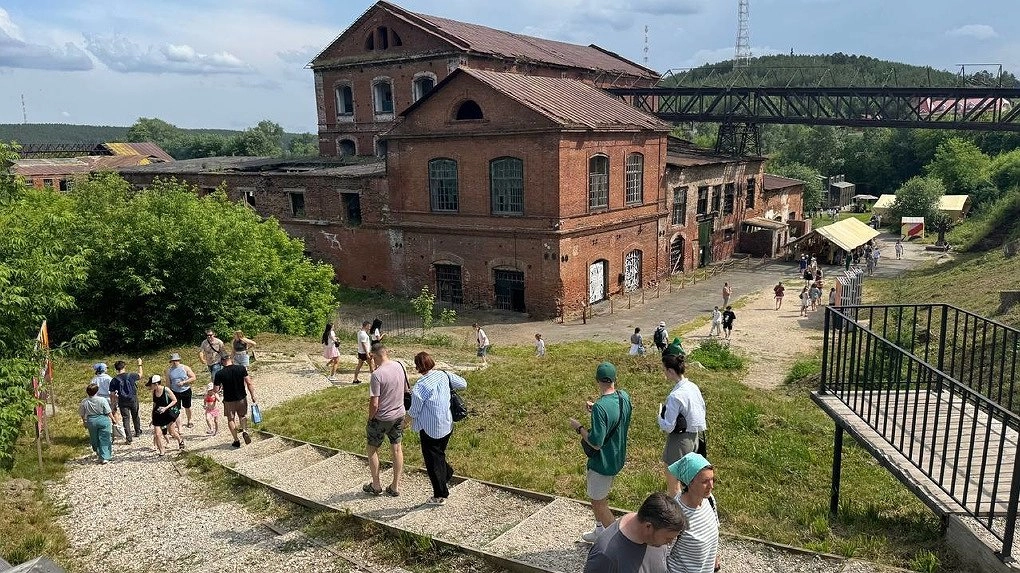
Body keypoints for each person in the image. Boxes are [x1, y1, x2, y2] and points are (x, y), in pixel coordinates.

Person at [570, 361, 633, 543]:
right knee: (595, 496)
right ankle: (599, 530)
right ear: (615, 379)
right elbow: (616, 419)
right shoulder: (624, 397)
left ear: (597, 380)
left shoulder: (600, 407)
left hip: (602, 462)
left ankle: (619, 542)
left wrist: (579, 427)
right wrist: (596, 411)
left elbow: (596, 443)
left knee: (599, 502)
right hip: (617, 456)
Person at [408, 351, 467, 505]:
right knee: (439, 454)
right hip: (447, 424)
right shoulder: (444, 375)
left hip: (430, 429)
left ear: (417, 367)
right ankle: (446, 473)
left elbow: (414, 411)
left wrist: (403, 423)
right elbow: (463, 384)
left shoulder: (420, 386)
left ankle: (440, 495)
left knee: (432, 462)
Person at [584, 492, 687, 573]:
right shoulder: (605, 555)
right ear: (648, 526)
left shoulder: (656, 537)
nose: (670, 543)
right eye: (668, 538)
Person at [657, 352, 706, 497]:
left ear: (671, 371)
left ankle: (676, 514)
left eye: (665, 370)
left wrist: (660, 417)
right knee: (689, 480)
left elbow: (669, 426)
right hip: (695, 437)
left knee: (673, 484)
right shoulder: (693, 387)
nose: (664, 373)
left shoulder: (675, 396)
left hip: (679, 440)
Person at [363, 342, 406, 497]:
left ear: (373, 356)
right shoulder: (400, 366)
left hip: (382, 417)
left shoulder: (377, 375)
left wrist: (370, 418)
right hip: (399, 414)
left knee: (372, 449)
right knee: (396, 448)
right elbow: (406, 389)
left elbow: (374, 403)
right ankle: (395, 486)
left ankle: (376, 485)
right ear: (386, 352)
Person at [666, 453, 720, 573]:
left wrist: (714, 557)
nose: (711, 486)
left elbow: (714, 529)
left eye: (712, 479)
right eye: (705, 481)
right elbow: (663, 553)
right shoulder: (676, 513)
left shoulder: (709, 500)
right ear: (689, 482)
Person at [215, 353, 257, 448]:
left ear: (222, 362)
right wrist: (253, 395)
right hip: (241, 397)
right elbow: (249, 382)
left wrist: (221, 387)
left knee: (231, 419)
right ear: (231, 359)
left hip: (229, 400)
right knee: (242, 416)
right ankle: (245, 431)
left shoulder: (219, 374)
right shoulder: (241, 368)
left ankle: (236, 440)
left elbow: (215, 390)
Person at [146, 374, 182, 456]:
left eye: (151, 385)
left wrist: (166, 408)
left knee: (171, 432)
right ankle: (162, 450)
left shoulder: (166, 390)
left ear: (156, 384)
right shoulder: (154, 392)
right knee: (158, 434)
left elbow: (174, 400)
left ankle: (180, 441)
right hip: (157, 414)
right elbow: (154, 404)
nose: (150, 387)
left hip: (168, 413)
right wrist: (152, 417)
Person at [109, 359, 143, 444]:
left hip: (122, 400)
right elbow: (140, 375)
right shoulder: (131, 375)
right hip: (133, 399)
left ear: (116, 369)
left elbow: (112, 394)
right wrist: (139, 365)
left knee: (126, 418)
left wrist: (113, 404)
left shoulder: (114, 380)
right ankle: (138, 431)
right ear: (124, 367)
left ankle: (128, 438)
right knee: (135, 415)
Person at [79, 383, 114, 464]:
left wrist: (84, 421)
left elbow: (82, 413)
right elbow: (108, 411)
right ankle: (105, 456)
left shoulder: (84, 401)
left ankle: (98, 451)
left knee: (94, 438)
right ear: (96, 391)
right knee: (105, 437)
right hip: (103, 419)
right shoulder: (102, 400)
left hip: (91, 421)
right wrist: (113, 419)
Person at [166, 353, 197, 431]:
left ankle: (190, 420)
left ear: (179, 360)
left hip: (186, 390)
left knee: (187, 406)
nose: (174, 362)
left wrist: (184, 382)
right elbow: (168, 383)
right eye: (173, 361)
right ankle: (179, 426)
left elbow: (193, 377)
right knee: (176, 409)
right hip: (175, 391)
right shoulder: (169, 371)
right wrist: (169, 393)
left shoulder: (185, 368)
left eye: (176, 360)